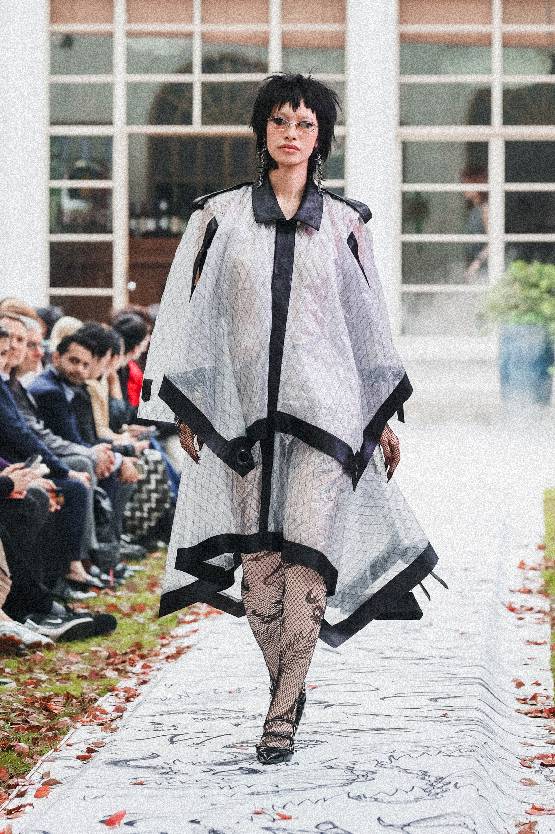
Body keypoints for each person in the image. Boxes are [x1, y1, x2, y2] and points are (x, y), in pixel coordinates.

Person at [138, 73, 447, 764]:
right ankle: (289, 684)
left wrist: (380, 418)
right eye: (280, 121)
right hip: (242, 418)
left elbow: (366, 323)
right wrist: (190, 405)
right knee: (260, 575)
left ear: (321, 138)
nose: (291, 133)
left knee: (307, 559)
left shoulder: (345, 224)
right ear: (262, 131)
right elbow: (189, 316)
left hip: (326, 417)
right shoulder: (216, 218)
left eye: (305, 124)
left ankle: (279, 716)